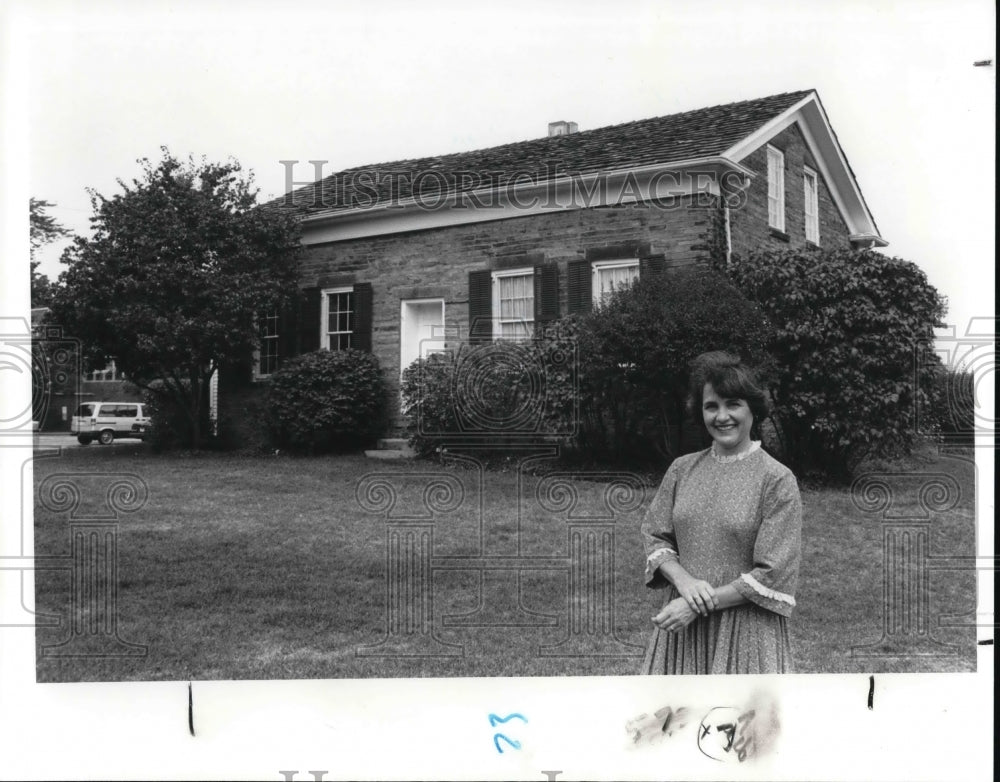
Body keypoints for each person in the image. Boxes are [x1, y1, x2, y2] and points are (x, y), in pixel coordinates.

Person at [640, 351, 802, 674]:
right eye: (711, 406)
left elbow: (771, 573)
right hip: (683, 636)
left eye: (733, 404)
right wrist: (684, 582)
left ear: (753, 409)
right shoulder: (681, 470)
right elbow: (655, 535)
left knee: (741, 723)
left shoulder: (777, 480)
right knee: (675, 723)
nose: (722, 416)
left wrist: (695, 605)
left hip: (746, 634)